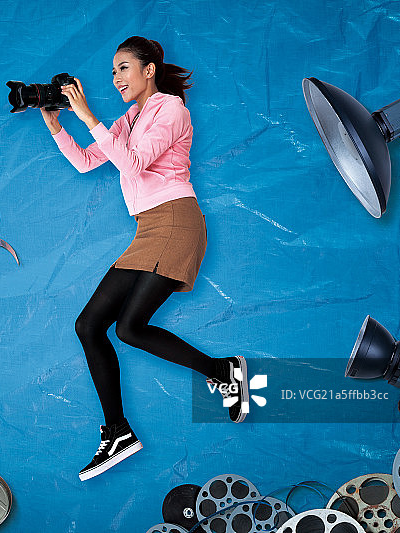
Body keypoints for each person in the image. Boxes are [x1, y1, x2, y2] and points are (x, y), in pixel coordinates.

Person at [39, 36, 249, 481]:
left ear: (149, 69)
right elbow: (86, 162)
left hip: (175, 221)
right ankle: (119, 430)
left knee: (130, 329)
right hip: (148, 228)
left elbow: (133, 165)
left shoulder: (171, 110)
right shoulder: (130, 118)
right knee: (90, 324)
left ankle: (221, 373)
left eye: (123, 69)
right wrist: (58, 126)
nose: (115, 79)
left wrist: (89, 117)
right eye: (112, 71)